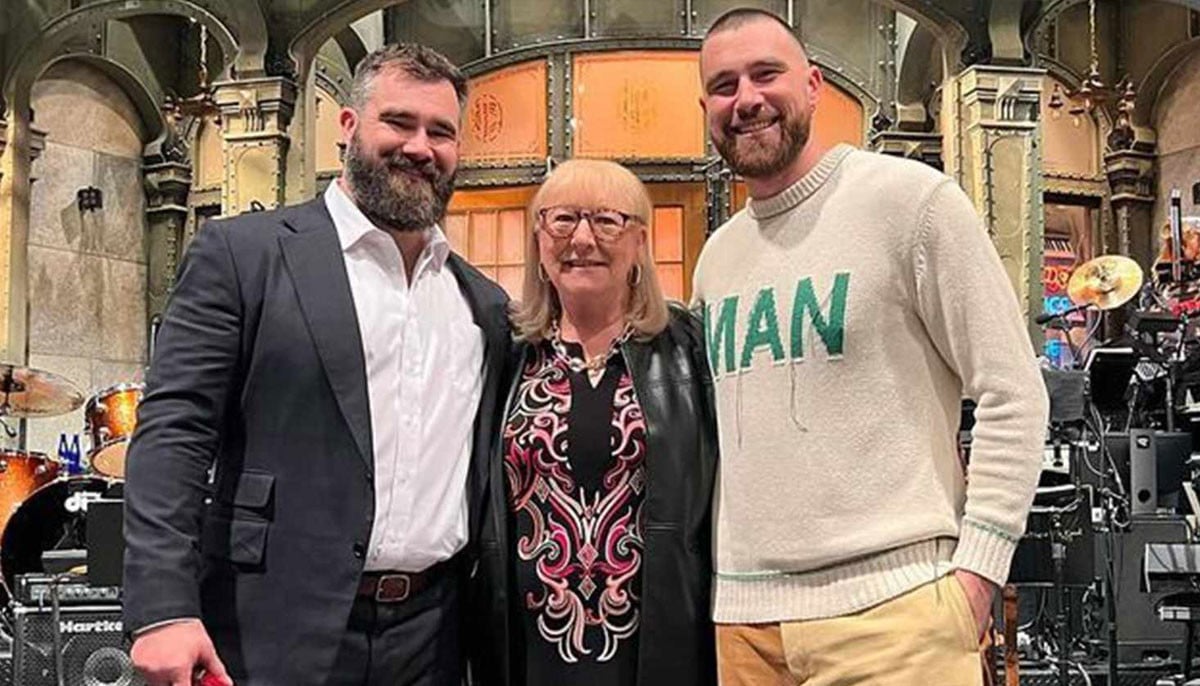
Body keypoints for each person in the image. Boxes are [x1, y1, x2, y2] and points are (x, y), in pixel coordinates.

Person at [123, 43, 510, 686]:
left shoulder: (483, 304)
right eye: (399, 122)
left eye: (440, 131)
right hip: (270, 625)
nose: (420, 146)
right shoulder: (243, 256)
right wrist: (163, 608)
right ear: (349, 126)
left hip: (434, 639)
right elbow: (174, 433)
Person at [692, 9, 1049, 685]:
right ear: (707, 107)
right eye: (724, 85)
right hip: (745, 625)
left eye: (766, 74)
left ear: (813, 85)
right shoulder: (718, 258)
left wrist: (978, 574)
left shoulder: (911, 203)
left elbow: (1013, 392)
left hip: (896, 615)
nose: (746, 99)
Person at [470, 159, 718, 686]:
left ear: (640, 243)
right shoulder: (505, 354)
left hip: (661, 644)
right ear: (539, 240)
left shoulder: (689, 348)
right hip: (525, 648)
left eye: (607, 221)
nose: (582, 239)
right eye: (562, 219)